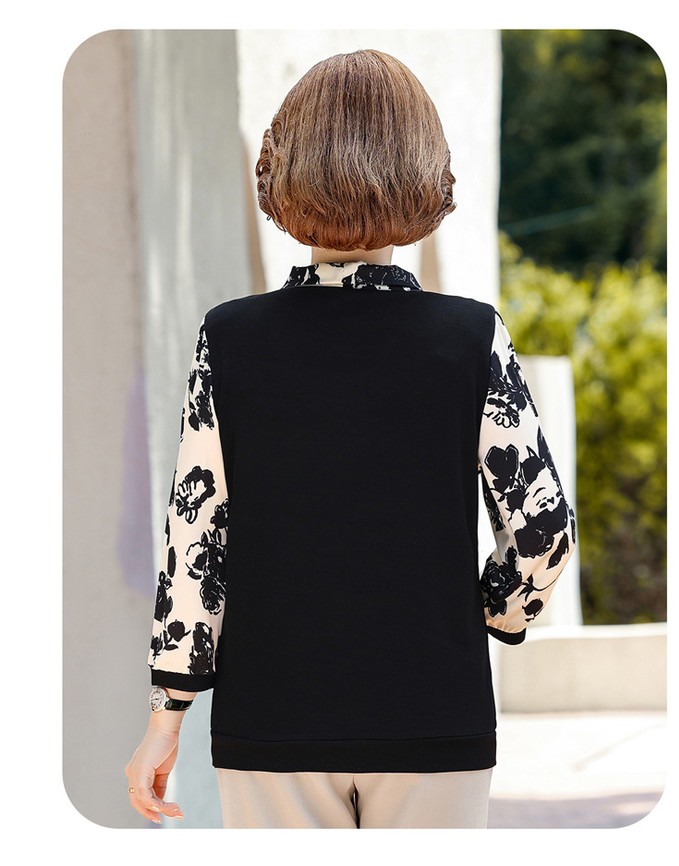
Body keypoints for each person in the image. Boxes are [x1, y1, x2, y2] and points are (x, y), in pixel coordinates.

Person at [125, 48, 577, 829]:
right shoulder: (471, 337)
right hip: (436, 713)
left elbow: (196, 536)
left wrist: (168, 713)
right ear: (426, 172)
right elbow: (542, 531)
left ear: (283, 171)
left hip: (271, 718)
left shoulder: (229, 339)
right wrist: (493, 614)